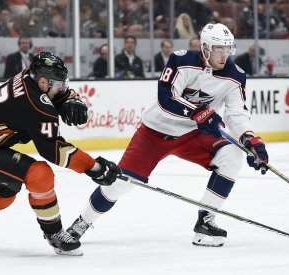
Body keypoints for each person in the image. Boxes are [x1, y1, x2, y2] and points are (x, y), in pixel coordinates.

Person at [66, 23, 269, 247]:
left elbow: (236, 113)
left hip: (193, 134)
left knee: (232, 155)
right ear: (205, 47)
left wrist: (249, 139)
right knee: (122, 183)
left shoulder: (235, 75)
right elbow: (166, 98)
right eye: (218, 49)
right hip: (155, 132)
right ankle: (81, 223)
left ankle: (206, 221)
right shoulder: (181, 60)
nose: (224, 55)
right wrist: (198, 113)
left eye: (228, 49)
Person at [0, 52, 121, 256]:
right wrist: (95, 168)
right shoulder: (35, 106)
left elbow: (49, 94)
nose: (62, 89)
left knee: (3, 193)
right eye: (59, 85)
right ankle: (54, 233)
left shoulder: (29, 76)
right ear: (43, 81)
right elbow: (55, 151)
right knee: (40, 174)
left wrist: (69, 98)